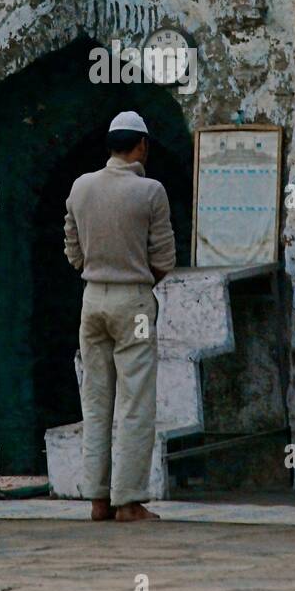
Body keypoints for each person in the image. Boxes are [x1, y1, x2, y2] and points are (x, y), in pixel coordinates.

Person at [63, 111, 176, 522]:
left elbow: (72, 248)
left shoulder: (81, 186)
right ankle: (127, 500)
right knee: (135, 401)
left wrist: (94, 270)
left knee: (95, 401)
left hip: (92, 298)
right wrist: (139, 280)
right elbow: (164, 257)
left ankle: (97, 498)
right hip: (133, 302)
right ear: (141, 145)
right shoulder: (150, 191)